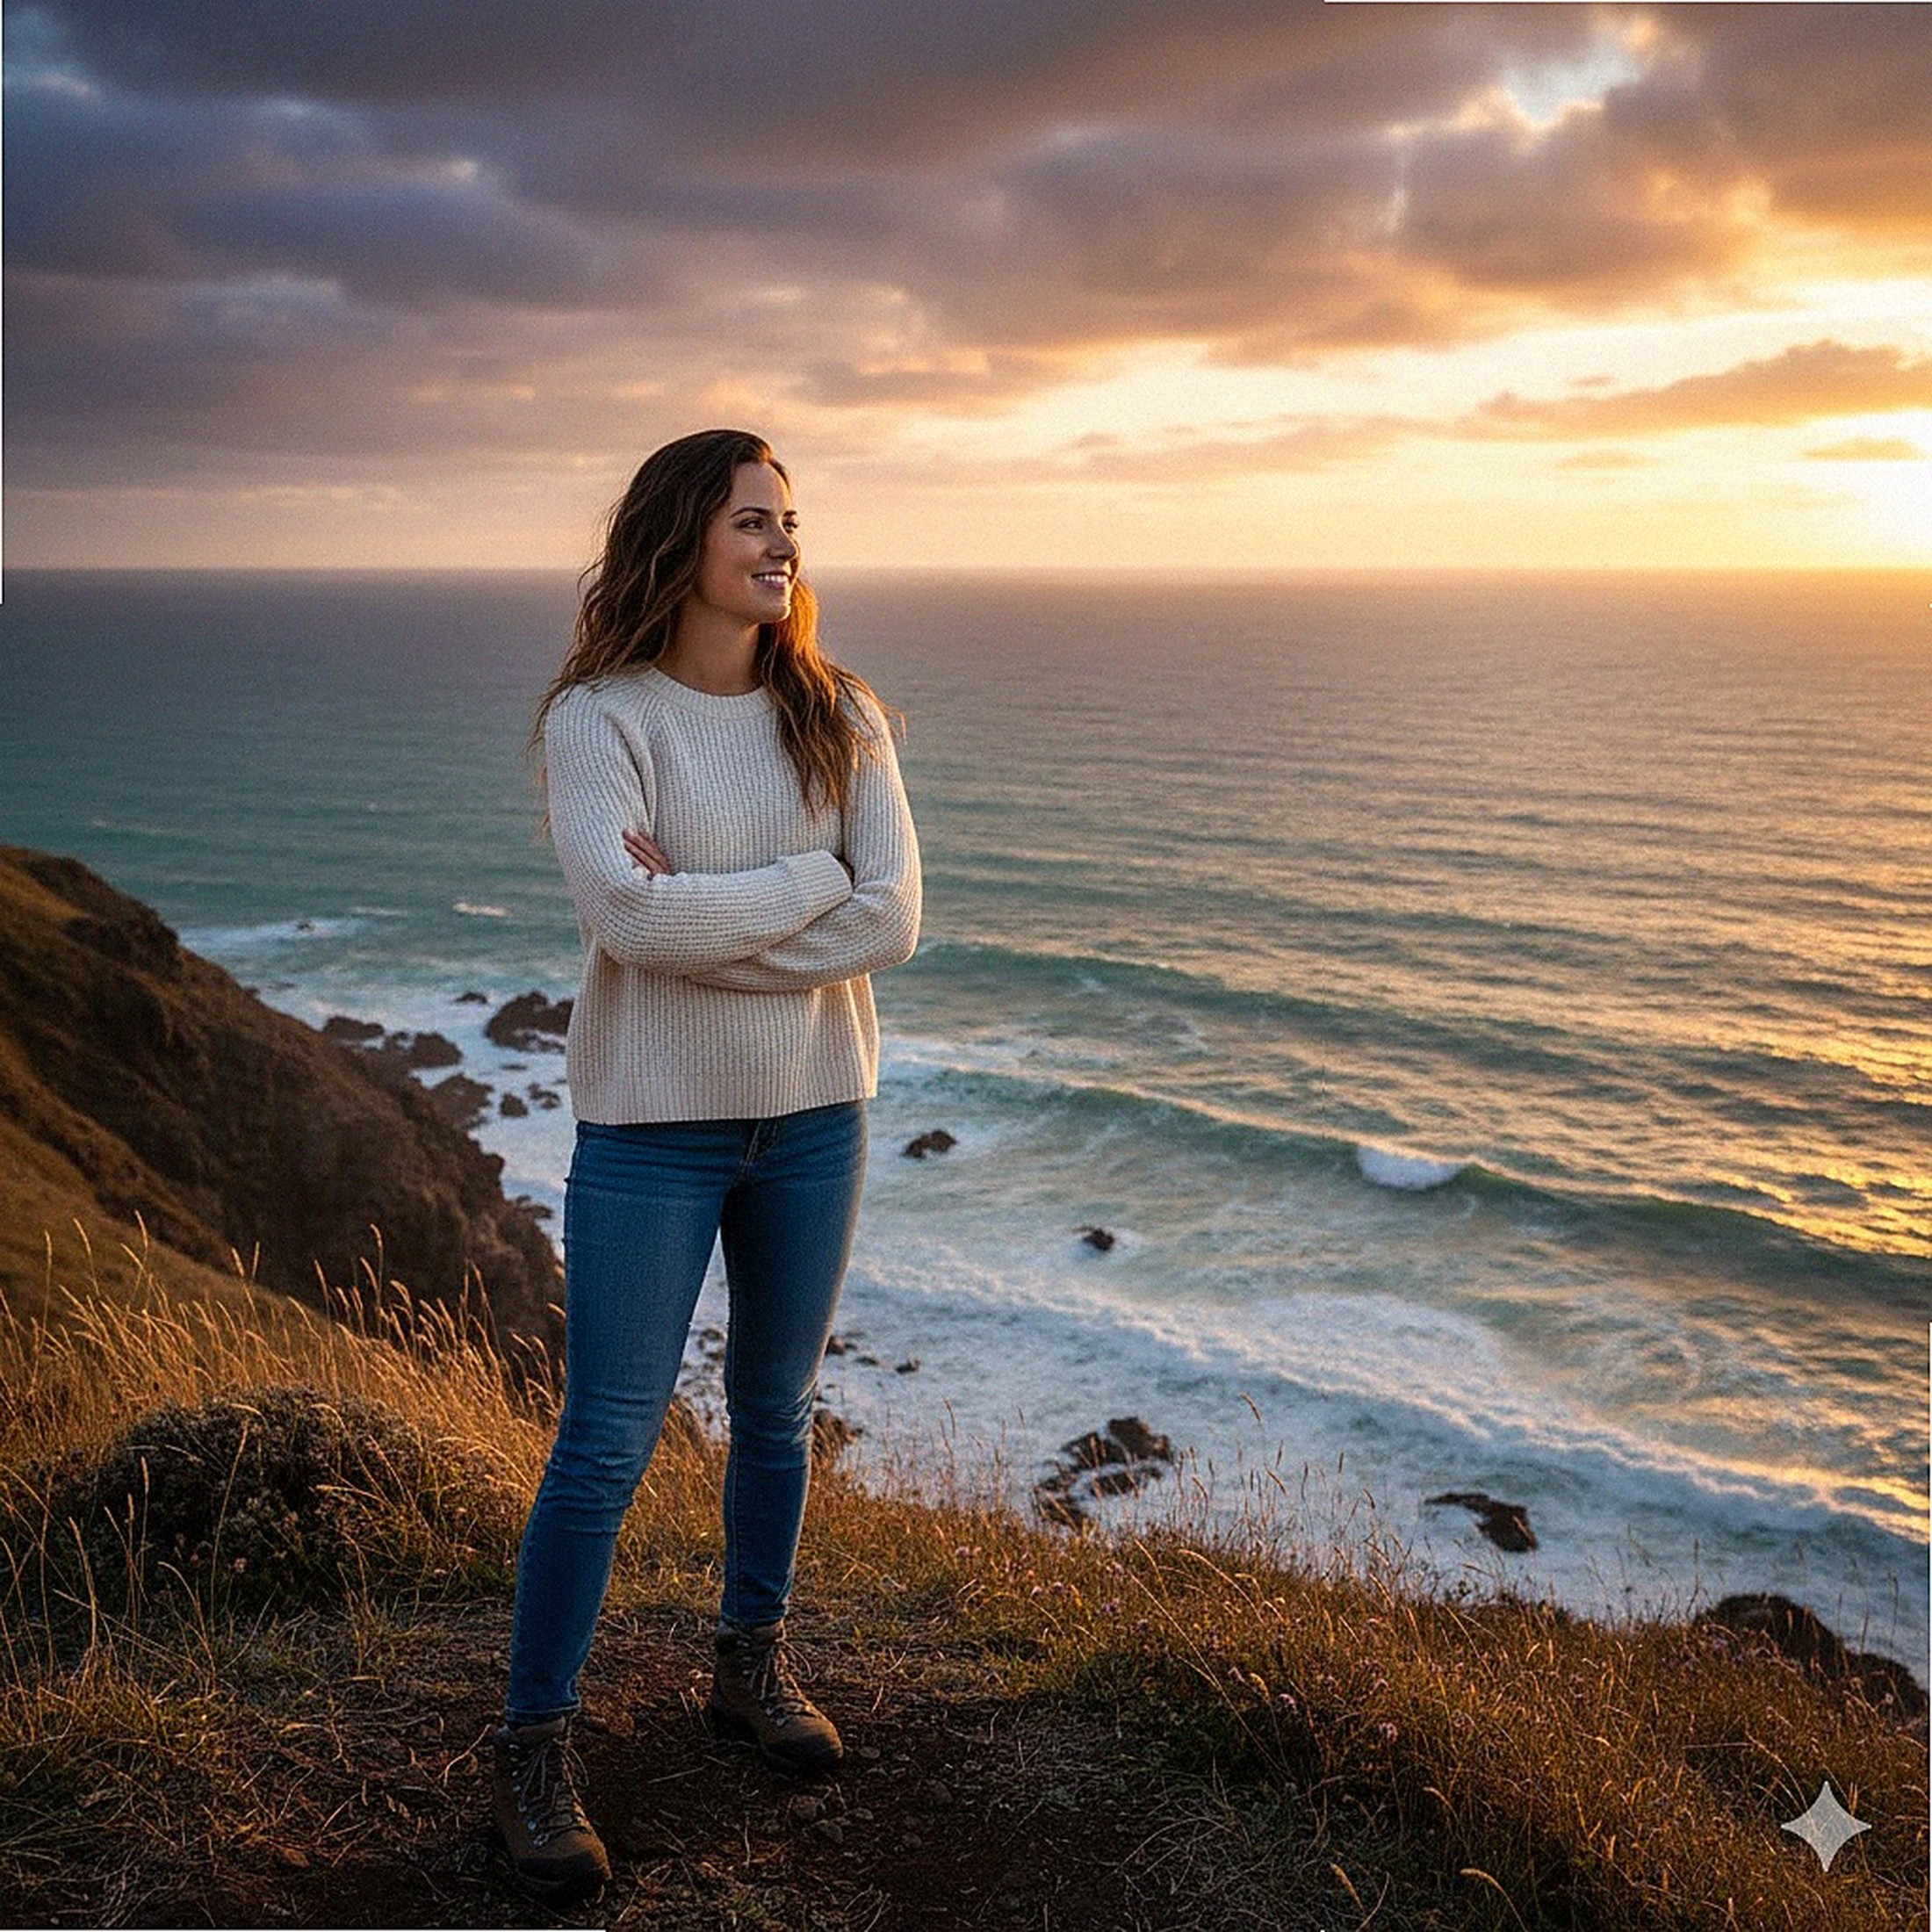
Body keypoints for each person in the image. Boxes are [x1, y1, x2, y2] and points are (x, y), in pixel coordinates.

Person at [491, 429, 921, 1902]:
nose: (783, 543)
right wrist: (809, 887)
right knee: (606, 1444)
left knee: (778, 1414)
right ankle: (533, 1746)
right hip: (650, 1133)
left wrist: (728, 911)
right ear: (684, 539)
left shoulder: (844, 713)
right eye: (754, 520)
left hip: (815, 1114)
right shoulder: (599, 718)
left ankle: (750, 1666)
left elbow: (892, 922)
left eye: (792, 520)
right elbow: (628, 923)